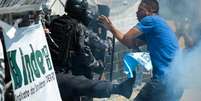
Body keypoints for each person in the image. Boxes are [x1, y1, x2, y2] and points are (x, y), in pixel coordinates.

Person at [47, 0, 135, 101]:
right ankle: (119, 89)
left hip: (53, 69)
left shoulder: (55, 21)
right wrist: (97, 65)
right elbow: (85, 54)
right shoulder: (78, 27)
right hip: (71, 71)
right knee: (84, 88)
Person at [99, 0, 183, 100]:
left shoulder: (151, 20)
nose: (137, 12)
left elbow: (127, 38)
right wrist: (110, 28)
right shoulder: (158, 25)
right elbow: (129, 43)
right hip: (177, 83)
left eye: (140, 9)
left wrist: (111, 28)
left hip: (163, 80)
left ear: (151, 10)